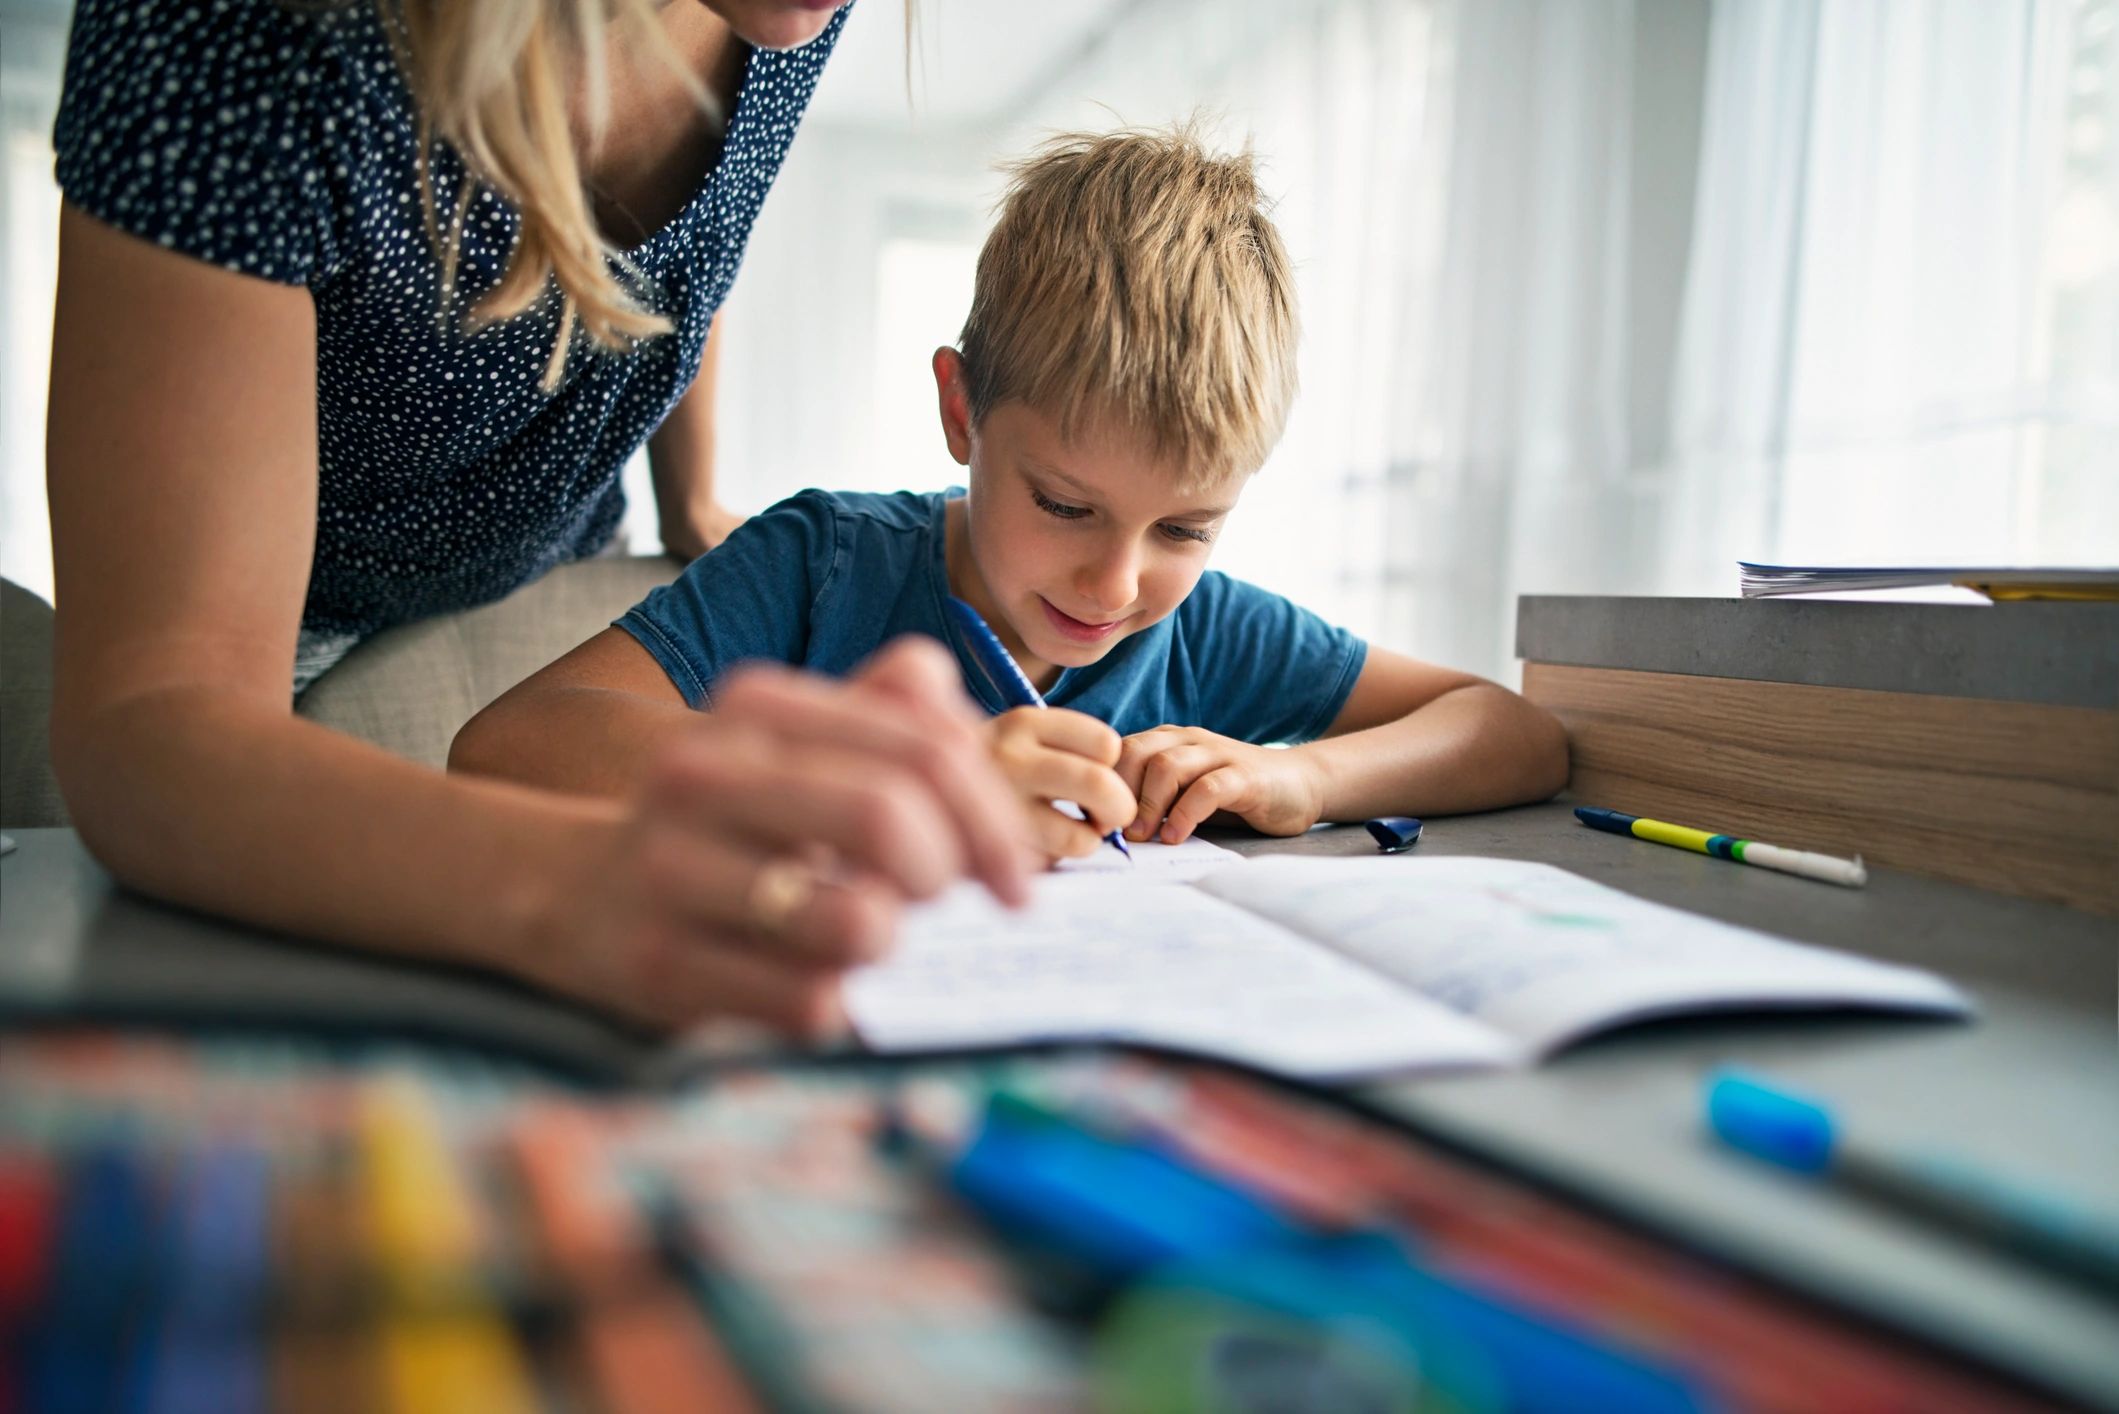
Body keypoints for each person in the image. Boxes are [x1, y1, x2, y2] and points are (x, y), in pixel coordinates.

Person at [44, 0, 1033, 1038]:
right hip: (278, 613)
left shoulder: (786, 21)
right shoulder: (240, 35)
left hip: (542, 548)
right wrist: (573, 889)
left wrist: (688, 489)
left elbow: (695, 249)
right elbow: (153, 715)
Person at [449, 125, 1571, 858]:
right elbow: (514, 744)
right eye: (1066, 506)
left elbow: (1511, 729)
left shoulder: (1205, 630)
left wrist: (1303, 774)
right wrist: (889, 780)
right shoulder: (824, 563)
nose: (1118, 582)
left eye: (1185, 526)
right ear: (961, 413)